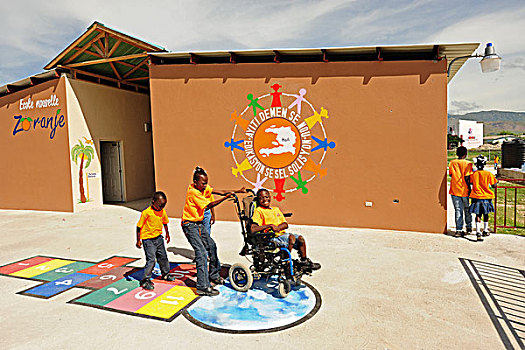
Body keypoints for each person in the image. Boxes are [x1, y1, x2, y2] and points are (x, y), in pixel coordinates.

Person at [181, 167, 236, 296]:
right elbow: (209, 205)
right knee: (200, 253)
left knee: (211, 246)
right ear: (195, 182)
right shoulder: (193, 192)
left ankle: (213, 275)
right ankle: (202, 287)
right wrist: (225, 199)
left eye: (206, 182)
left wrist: (232, 193)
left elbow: (219, 192)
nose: (206, 185)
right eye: (203, 183)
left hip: (198, 224)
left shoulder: (201, 189)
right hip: (189, 225)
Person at [250, 188, 321, 271]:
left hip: (281, 235)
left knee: (301, 239)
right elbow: (253, 229)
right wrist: (269, 226)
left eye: (266, 197)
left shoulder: (276, 209)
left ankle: (304, 262)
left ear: (270, 197)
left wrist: (278, 228)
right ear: (258, 200)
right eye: (261, 198)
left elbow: (285, 224)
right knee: (291, 238)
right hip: (270, 238)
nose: (264, 199)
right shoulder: (259, 211)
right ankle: (285, 263)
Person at [136, 191, 176, 290]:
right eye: (159, 205)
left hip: (158, 238)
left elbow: (165, 223)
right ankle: (145, 280)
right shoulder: (146, 213)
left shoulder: (162, 211)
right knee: (151, 260)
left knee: (163, 257)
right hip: (148, 239)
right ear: (153, 202)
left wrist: (167, 234)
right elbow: (138, 227)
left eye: (163, 205)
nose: (161, 207)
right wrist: (138, 240)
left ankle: (165, 274)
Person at [469, 155, 497, 241]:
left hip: (476, 196)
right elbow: (494, 184)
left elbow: (470, 182)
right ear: (484, 164)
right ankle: (485, 230)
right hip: (486, 197)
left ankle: (478, 232)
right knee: (486, 213)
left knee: (478, 214)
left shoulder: (473, 174)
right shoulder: (488, 174)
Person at [449, 146, 473, 237]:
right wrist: (469, 188)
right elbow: (467, 177)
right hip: (465, 190)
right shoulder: (468, 164)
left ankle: (458, 229)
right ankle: (469, 227)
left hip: (454, 190)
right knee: (467, 209)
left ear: (457, 154)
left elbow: (451, 175)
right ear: (466, 154)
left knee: (458, 210)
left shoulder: (452, 163)